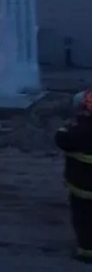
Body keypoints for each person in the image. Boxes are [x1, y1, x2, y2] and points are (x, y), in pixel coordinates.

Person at [55, 89, 92, 264]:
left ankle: (85, 253)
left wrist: (64, 127)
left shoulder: (76, 131)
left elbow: (61, 139)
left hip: (81, 186)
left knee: (82, 220)